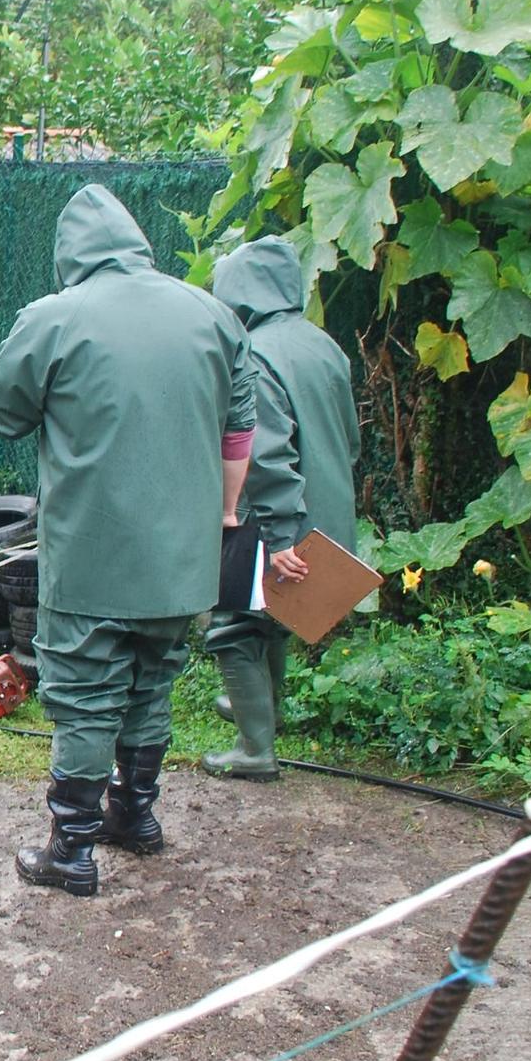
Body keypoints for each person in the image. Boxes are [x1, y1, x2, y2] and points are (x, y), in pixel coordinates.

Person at [0, 183, 257, 898]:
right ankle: (134, 816)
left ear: (70, 254)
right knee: (152, 678)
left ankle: (69, 849)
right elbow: (240, 428)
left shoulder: (56, 317)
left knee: (85, 693)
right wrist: (226, 514)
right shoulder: (213, 315)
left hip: (93, 551)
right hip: (182, 558)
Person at [202, 237, 359, 781]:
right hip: (325, 511)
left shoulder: (258, 354)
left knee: (232, 627)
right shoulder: (322, 344)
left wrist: (279, 535)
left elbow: (266, 454)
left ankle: (254, 749)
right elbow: (350, 439)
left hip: (274, 518)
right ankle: (266, 712)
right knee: (275, 620)